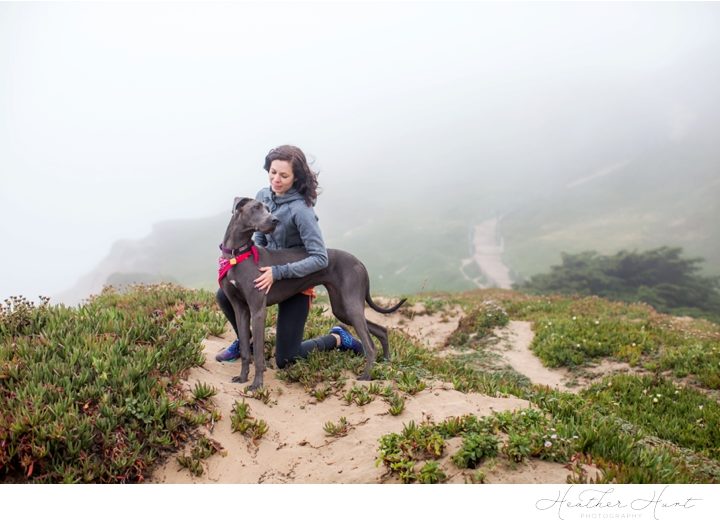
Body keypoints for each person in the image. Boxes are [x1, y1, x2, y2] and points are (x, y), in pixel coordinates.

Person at [215, 145, 362, 368]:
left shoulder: (301, 210)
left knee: (286, 359)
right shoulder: (263, 197)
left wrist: (278, 272)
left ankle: (338, 338)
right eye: (273, 172)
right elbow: (260, 238)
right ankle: (248, 342)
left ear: (295, 177)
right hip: (268, 271)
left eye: (284, 175)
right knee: (225, 293)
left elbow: (320, 258)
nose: (276, 179)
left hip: (296, 281)